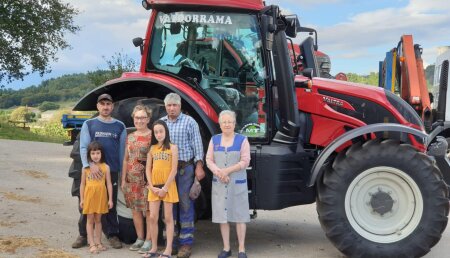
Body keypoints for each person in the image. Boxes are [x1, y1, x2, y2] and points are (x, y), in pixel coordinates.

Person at [73, 93, 127, 249]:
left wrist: (122, 173)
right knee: (88, 203)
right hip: (92, 171)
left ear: (112, 106)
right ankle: (83, 234)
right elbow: (84, 147)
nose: (105, 107)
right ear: (98, 106)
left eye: (108, 104)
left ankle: (112, 234)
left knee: (111, 204)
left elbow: (122, 152)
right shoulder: (89, 124)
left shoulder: (120, 126)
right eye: (102, 104)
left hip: (112, 171)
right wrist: (89, 165)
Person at [161, 93, 205, 258]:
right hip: (166, 170)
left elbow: (197, 144)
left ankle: (186, 243)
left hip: (184, 168)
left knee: (186, 204)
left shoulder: (189, 121)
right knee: (168, 205)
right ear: (166, 107)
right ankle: (170, 242)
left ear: (179, 106)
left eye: (175, 105)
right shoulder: (161, 123)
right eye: (169, 106)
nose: (172, 108)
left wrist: (199, 166)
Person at [205, 110, 251, 258]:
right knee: (222, 216)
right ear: (219, 124)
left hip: (236, 183)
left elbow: (245, 161)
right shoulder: (214, 140)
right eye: (224, 122)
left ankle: (242, 249)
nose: (227, 124)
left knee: (239, 216)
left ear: (234, 123)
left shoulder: (242, 140)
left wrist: (227, 171)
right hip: (220, 183)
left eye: (229, 122)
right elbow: (209, 160)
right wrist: (219, 172)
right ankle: (226, 248)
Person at [144, 120, 179, 258]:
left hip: (168, 186)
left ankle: (168, 249)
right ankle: (153, 248)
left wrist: (165, 188)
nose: (159, 134)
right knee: (152, 217)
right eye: (156, 132)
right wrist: (151, 186)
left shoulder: (173, 147)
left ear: (166, 132)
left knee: (168, 218)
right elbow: (148, 169)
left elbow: (174, 169)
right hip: (154, 187)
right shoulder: (152, 149)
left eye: (161, 131)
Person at [121, 105, 153, 253]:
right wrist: (123, 179)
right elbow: (126, 159)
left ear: (148, 119)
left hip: (146, 180)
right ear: (133, 118)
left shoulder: (152, 136)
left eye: (142, 117)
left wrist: (151, 181)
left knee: (148, 211)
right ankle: (139, 238)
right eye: (137, 117)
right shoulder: (130, 136)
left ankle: (149, 240)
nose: (139, 120)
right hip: (131, 179)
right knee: (135, 210)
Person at [80, 141, 113, 254]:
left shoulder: (106, 167)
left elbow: (108, 184)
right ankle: (92, 243)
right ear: (89, 155)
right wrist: (82, 199)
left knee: (98, 220)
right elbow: (82, 184)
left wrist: (110, 199)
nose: (95, 156)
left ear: (101, 154)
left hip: (101, 196)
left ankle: (98, 242)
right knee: (90, 220)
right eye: (93, 153)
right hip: (89, 197)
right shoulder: (86, 168)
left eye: (98, 153)